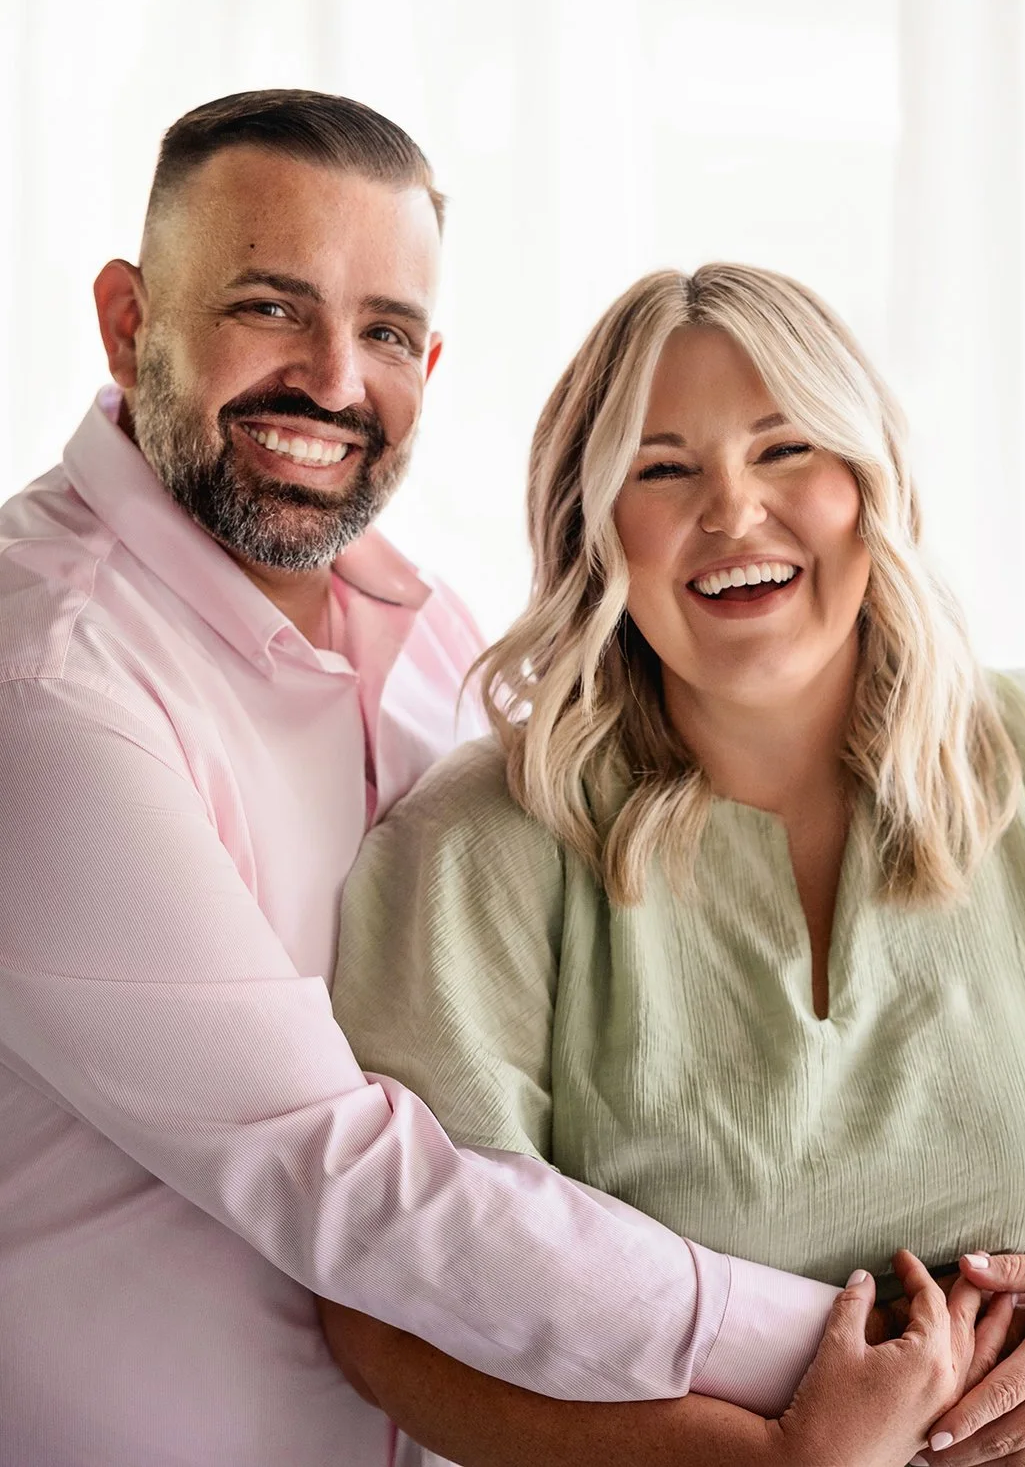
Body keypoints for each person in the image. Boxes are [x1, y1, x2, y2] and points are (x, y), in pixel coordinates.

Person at [0, 93, 897, 1464]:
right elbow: (351, 1180)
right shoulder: (50, 689)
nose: (336, 383)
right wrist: (858, 1341)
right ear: (129, 321)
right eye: (269, 308)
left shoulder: (435, 634)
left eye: (385, 333)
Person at [321, 263, 1025, 1467]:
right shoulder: (486, 846)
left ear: (868, 482)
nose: (734, 512)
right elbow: (386, 1315)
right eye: (663, 469)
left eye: (785, 450)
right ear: (593, 523)